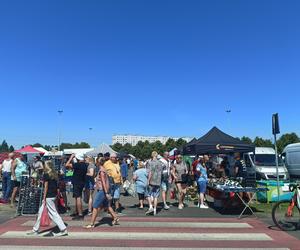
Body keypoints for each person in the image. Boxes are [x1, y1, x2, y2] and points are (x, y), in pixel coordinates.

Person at [27, 161, 68, 236]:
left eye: (44, 165)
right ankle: (35, 229)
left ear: (47, 166)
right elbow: (57, 186)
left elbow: (46, 187)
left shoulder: (46, 174)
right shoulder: (55, 174)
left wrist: (44, 197)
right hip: (53, 195)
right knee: (40, 212)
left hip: (48, 196)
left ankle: (63, 229)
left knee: (53, 213)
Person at [84, 158, 119, 228]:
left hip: (102, 190)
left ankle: (92, 223)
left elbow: (103, 182)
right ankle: (115, 217)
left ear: (98, 162)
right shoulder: (104, 170)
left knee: (95, 206)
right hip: (105, 190)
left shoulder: (101, 171)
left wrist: (106, 193)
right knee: (107, 205)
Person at [65, 153, 88, 220]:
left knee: (78, 198)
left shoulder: (77, 165)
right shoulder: (85, 165)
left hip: (77, 182)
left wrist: (71, 157)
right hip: (81, 182)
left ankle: (80, 214)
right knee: (77, 197)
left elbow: (66, 165)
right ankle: (77, 211)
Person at [146, 151, 163, 216]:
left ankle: (150, 206)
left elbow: (150, 172)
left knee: (148, 194)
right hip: (158, 181)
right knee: (156, 196)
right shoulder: (160, 163)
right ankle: (155, 209)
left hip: (151, 181)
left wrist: (148, 180)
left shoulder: (150, 163)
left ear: (152, 155)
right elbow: (161, 172)